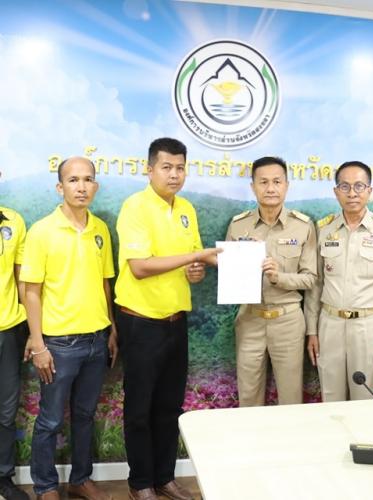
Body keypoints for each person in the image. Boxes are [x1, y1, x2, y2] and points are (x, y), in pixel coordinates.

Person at [115, 137, 220, 500]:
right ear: (150, 169)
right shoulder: (135, 207)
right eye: (166, 167)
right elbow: (140, 267)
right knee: (139, 408)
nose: (174, 175)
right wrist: (195, 256)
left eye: (180, 168)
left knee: (169, 407)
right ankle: (140, 483)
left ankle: (165, 478)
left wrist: (196, 270)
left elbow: (193, 267)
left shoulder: (186, 208)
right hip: (141, 322)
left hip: (176, 321)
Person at [21, 157, 117, 500]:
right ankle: (46, 486)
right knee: (49, 420)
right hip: (59, 344)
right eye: (73, 180)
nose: (81, 187)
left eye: (88, 179)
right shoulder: (42, 231)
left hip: (96, 340)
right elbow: (31, 291)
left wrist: (112, 329)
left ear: (96, 186)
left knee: (85, 415)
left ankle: (80, 479)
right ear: (60, 187)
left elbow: (105, 284)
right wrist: (38, 343)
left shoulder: (100, 229)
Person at [305, 160, 373, 401]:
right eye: (345, 186)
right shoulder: (324, 229)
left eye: (359, 186)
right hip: (329, 324)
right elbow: (315, 285)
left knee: (365, 397)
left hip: (368, 326)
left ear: (369, 191)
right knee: (331, 397)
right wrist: (312, 331)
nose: (352, 193)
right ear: (336, 191)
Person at [226, 156, 317, 406]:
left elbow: (310, 278)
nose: (270, 188)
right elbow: (230, 273)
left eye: (277, 182)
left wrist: (279, 277)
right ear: (253, 186)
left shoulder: (302, 226)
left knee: (290, 396)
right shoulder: (238, 225)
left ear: (286, 185)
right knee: (248, 394)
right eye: (263, 182)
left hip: (288, 320)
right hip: (250, 318)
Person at [0, 198, 29, 500]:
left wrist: (33, 330)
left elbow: (21, 278)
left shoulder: (13, 220)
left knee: (6, 411)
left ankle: (3, 476)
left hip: (8, 330)